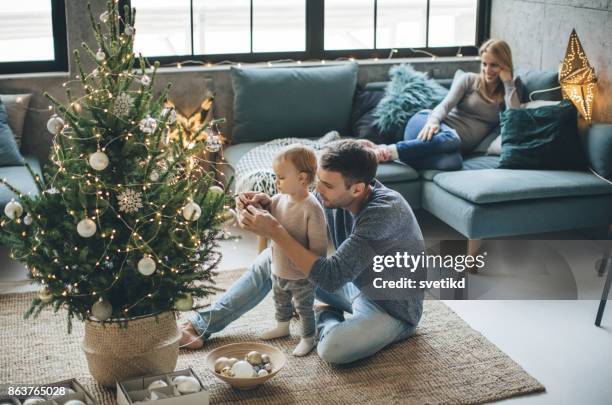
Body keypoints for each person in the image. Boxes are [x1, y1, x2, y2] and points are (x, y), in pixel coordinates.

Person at [180, 140, 425, 364]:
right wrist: (268, 203)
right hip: (353, 283)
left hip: (391, 307)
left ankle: (326, 315)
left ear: (358, 189)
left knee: (332, 350)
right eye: (318, 179)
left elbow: (331, 277)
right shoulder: (334, 195)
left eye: (327, 185)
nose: (318, 188)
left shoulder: (385, 212)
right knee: (271, 258)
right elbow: (301, 204)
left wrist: (275, 231)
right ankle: (201, 325)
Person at [371, 38, 521, 170]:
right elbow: (445, 105)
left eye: (494, 65)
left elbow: (515, 119)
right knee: (452, 137)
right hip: (425, 126)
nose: (487, 70)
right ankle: (389, 151)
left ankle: (408, 154)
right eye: (484, 64)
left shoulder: (512, 89)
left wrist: (508, 82)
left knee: (453, 163)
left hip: (448, 148)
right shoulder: (469, 80)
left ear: (504, 65)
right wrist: (433, 121)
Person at [258, 145, 327, 356]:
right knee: (280, 300)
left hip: (301, 275)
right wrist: (253, 202)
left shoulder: (312, 208)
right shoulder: (278, 200)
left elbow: (319, 251)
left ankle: (308, 337)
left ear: (302, 178)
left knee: (304, 308)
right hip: (278, 268)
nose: (276, 182)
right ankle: (282, 325)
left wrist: (310, 271)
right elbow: (261, 220)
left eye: (280, 177)